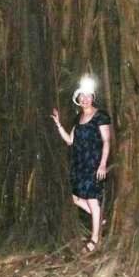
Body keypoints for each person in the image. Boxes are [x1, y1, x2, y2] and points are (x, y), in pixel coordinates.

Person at [51, 76, 111, 253]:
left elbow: (107, 141)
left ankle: (94, 240)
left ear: (92, 97)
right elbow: (70, 141)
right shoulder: (78, 119)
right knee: (75, 198)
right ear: (78, 100)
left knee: (92, 200)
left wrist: (102, 165)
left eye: (88, 96)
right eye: (82, 96)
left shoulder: (100, 116)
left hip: (93, 164)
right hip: (79, 165)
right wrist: (58, 124)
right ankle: (100, 220)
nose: (85, 99)